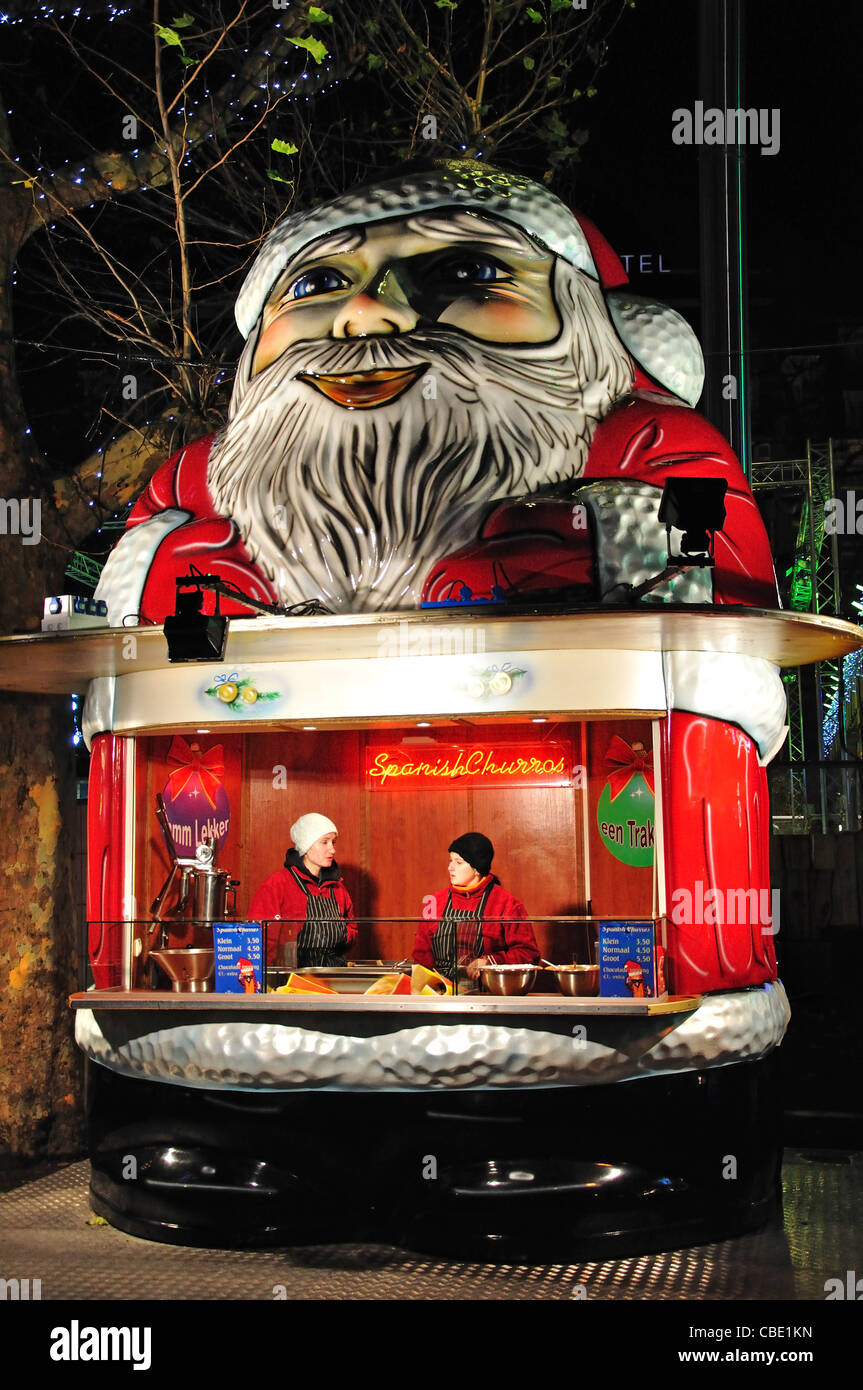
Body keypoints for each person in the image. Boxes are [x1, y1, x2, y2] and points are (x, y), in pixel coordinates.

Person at [412, 832, 539, 987]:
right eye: (451, 860)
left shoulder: (506, 903)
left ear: (477, 869)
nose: (450, 867)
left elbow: (528, 954)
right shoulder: (435, 901)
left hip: (488, 995)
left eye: (458, 862)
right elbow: (421, 955)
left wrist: (489, 961)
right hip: (441, 995)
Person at [249, 813, 357, 968]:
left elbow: (352, 929)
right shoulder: (277, 884)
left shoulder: (338, 887)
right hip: (293, 978)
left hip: (334, 974)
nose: (332, 850)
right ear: (306, 845)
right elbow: (262, 941)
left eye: (333, 842)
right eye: (324, 842)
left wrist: (342, 935)